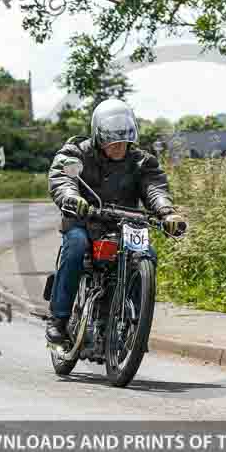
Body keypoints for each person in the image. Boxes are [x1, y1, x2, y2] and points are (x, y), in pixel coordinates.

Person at [45, 98, 186, 344]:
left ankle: (130, 323)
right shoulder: (76, 154)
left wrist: (167, 212)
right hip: (84, 222)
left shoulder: (142, 162)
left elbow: (155, 187)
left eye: (124, 141)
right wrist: (71, 197)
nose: (119, 146)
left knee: (146, 255)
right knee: (76, 245)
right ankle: (58, 320)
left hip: (124, 225)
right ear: (99, 136)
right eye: (113, 141)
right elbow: (61, 178)